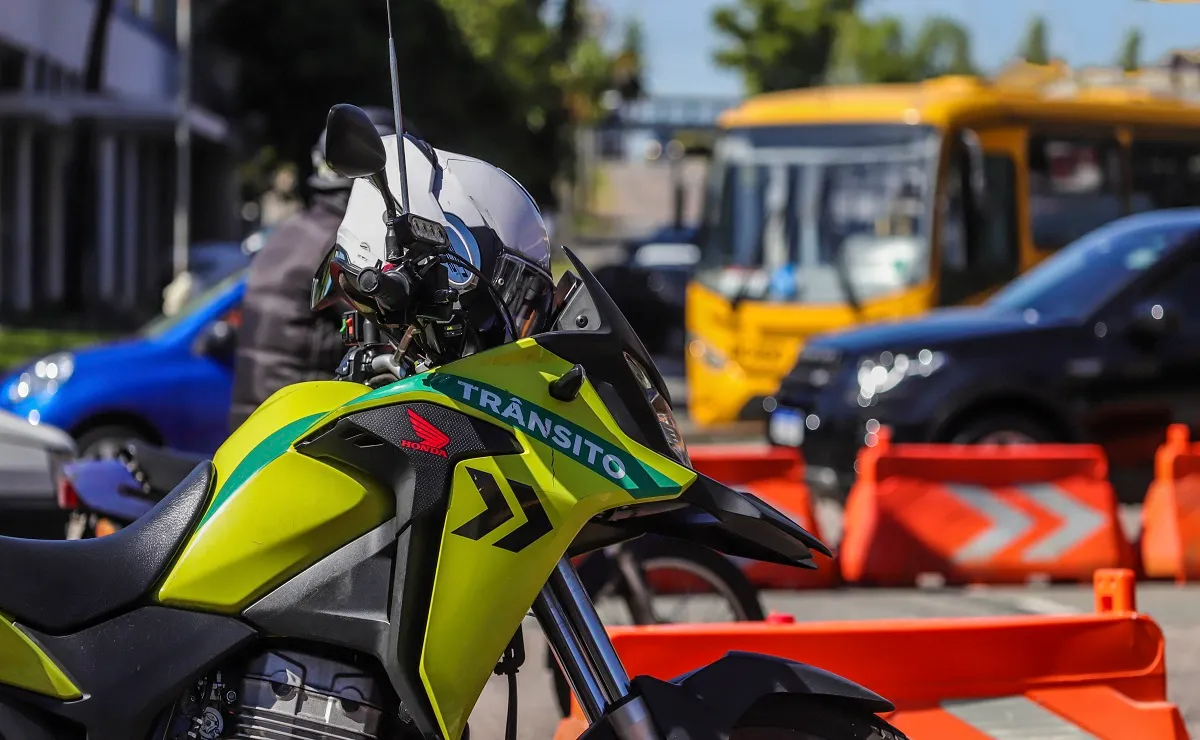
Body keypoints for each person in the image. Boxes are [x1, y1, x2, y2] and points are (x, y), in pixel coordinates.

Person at [228, 108, 400, 432]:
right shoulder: (345, 243)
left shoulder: (291, 230)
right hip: (298, 429)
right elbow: (388, 334)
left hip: (256, 426)